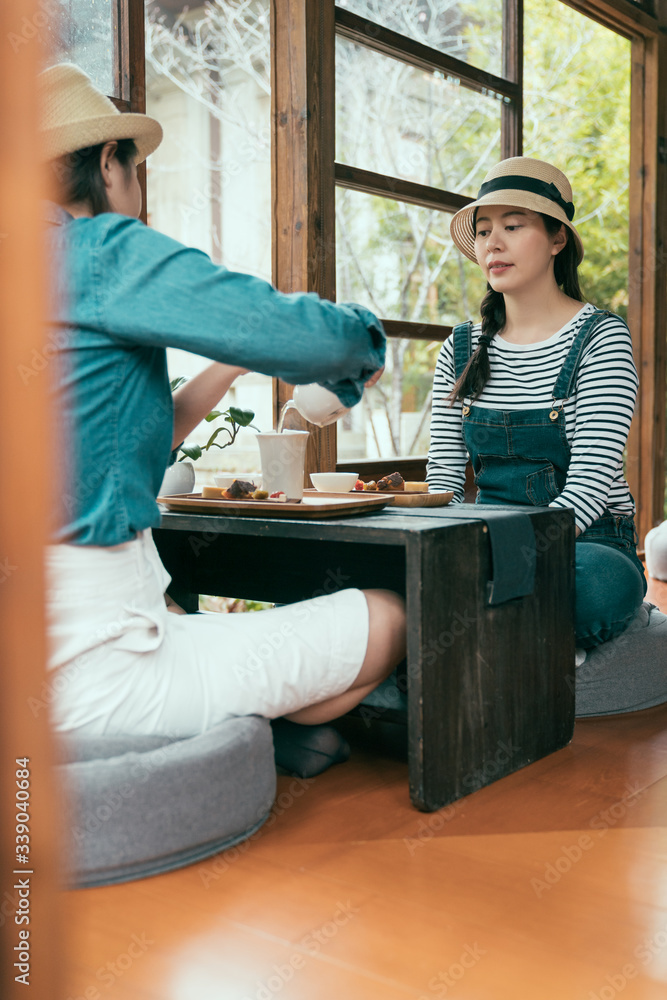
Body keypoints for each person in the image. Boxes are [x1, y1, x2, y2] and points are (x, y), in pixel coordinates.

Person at [40, 63, 406, 772]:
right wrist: (359, 349)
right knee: (390, 615)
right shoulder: (96, 253)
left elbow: (113, 450)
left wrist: (230, 362)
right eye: (134, 165)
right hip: (96, 671)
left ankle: (246, 734)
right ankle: (231, 741)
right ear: (107, 165)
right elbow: (319, 340)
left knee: (191, 621)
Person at [427, 156, 646, 653]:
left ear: (557, 239)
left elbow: (591, 486)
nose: (493, 244)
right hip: (483, 535)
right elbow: (443, 476)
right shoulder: (459, 347)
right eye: (483, 232)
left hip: (585, 542)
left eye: (513, 225)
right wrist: (442, 546)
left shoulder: (600, 338)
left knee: (594, 587)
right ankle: (517, 637)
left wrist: (499, 559)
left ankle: (480, 635)